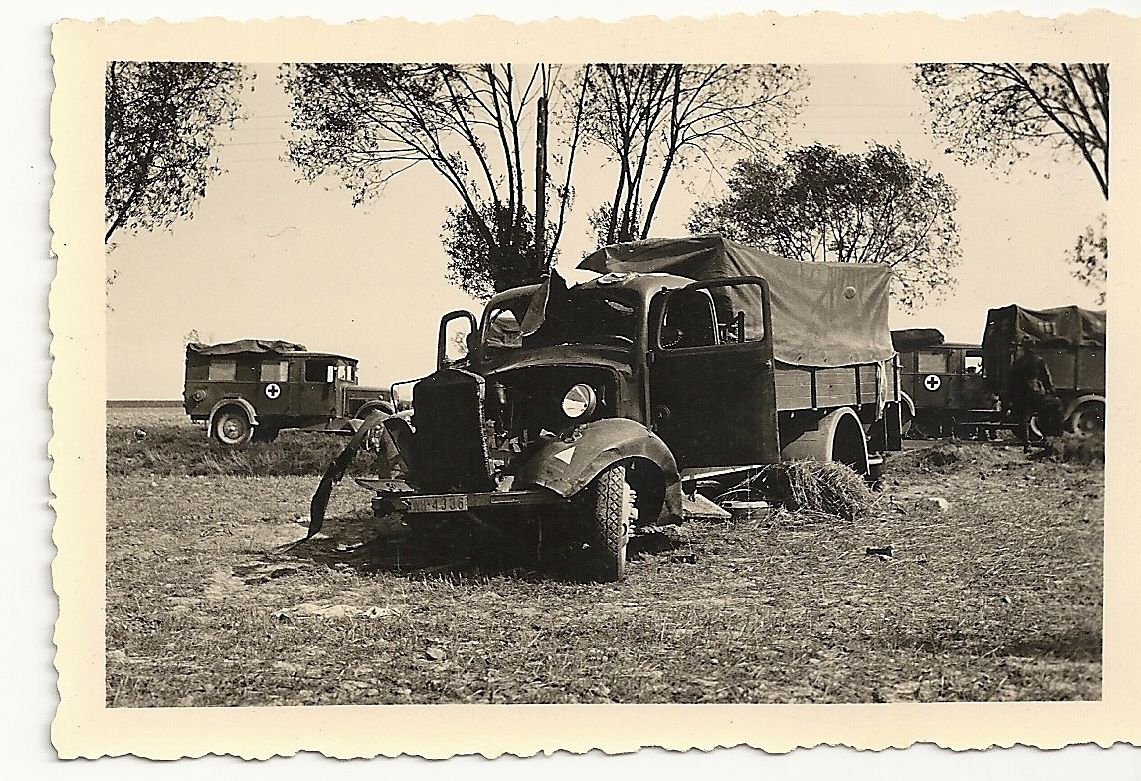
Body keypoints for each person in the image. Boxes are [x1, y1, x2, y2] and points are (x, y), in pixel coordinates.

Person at [1007, 341, 1057, 452]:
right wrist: (1051, 389)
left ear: (1024, 349)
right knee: (1042, 417)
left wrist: (1012, 396)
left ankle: (1027, 445)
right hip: (1037, 392)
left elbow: (1012, 380)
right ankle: (1046, 441)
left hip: (1022, 394)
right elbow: (1046, 377)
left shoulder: (1018, 362)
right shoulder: (1039, 360)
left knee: (1024, 420)